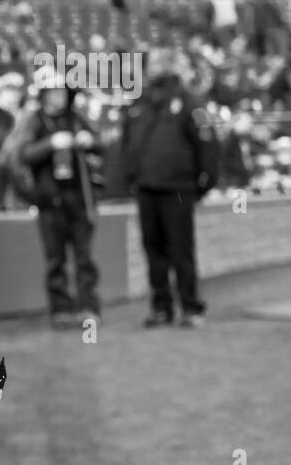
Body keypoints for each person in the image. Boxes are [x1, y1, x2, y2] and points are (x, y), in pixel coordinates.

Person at [122, 73, 220, 328]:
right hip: (146, 188)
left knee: (180, 250)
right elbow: (127, 144)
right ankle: (161, 307)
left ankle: (190, 307)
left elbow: (208, 144)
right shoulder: (139, 103)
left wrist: (204, 183)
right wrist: (131, 177)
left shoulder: (189, 102)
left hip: (178, 188)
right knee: (153, 250)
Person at [16, 83, 103, 327]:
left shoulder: (76, 119)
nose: (59, 96)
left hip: (79, 199)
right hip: (50, 202)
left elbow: (100, 142)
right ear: (43, 96)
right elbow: (23, 154)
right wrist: (51, 143)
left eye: (62, 92)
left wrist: (90, 140)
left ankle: (88, 306)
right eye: (54, 92)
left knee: (84, 257)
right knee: (55, 260)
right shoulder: (34, 121)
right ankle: (61, 309)